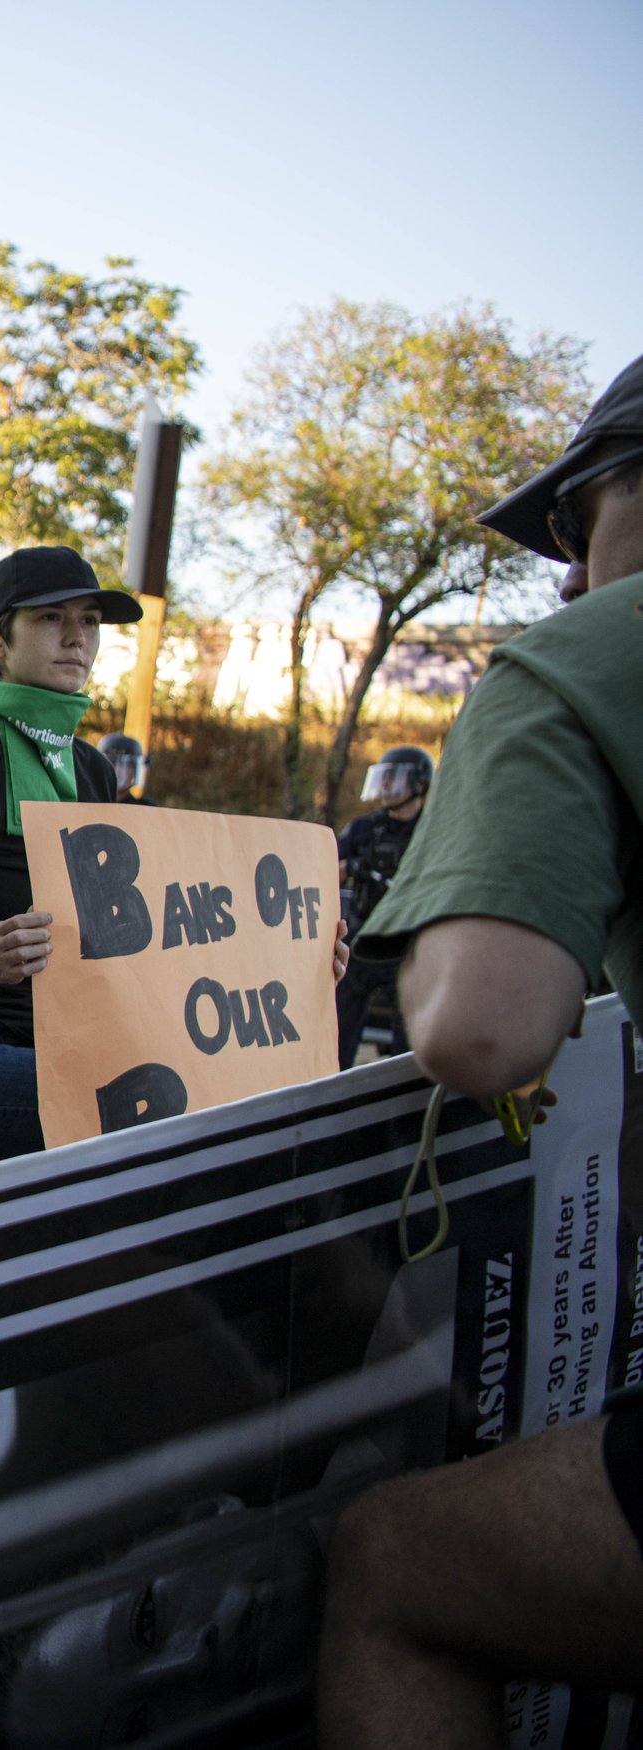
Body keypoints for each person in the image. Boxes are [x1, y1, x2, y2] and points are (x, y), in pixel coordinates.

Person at [317, 352, 643, 1750]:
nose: (570, 578)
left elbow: (480, 1028)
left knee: (398, 1563)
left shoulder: (577, 659)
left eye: (577, 530)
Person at [0, 548, 348, 1174]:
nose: (77, 638)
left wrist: (290, 955)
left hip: (55, 1047)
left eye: (89, 622)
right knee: (146, 1108)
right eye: (52, 618)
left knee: (241, 1092)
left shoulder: (92, 769)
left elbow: (141, 943)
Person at [332, 745, 431, 1068]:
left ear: (419, 784)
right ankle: (330, 1095)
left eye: (396, 780)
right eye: (384, 780)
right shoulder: (364, 829)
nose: (387, 789)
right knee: (339, 1027)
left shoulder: (432, 831)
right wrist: (350, 868)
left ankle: (402, 1110)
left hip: (411, 947)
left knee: (408, 1041)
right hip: (364, 938)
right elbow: (329, 873)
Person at [97, 731, 149, 800]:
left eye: (129, 765)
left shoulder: (144, 807)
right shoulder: (86, 801)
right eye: (113, 763)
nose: (119, 770)